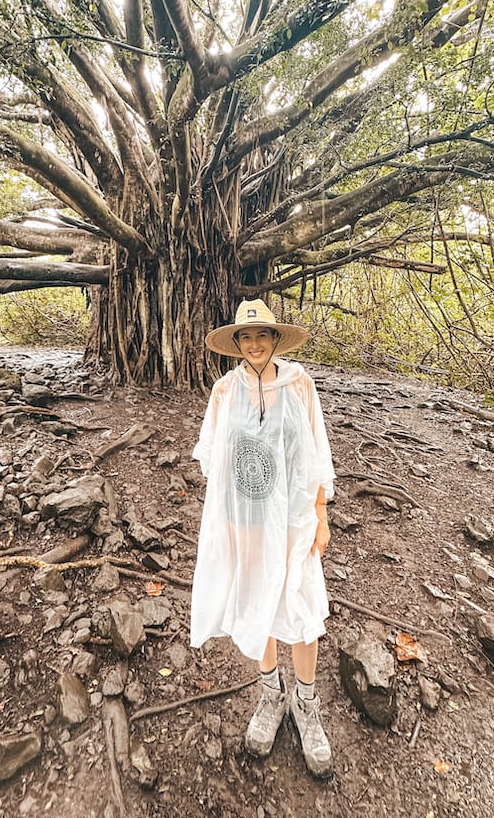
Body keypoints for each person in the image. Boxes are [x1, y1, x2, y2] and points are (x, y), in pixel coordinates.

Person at [190, 298, 335, 778]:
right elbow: (217, 459)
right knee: (260, 598)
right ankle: (271, 693)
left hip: (292, 514)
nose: (254, 344)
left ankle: (306, 703)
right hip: (247, 517)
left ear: (275, 340)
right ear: (236, 344)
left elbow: (315, 451)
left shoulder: (300, 385)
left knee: (303, 605)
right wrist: (229, 523)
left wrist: (320, 512)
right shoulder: (224, 391)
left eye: (263, 336)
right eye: (246, 337)